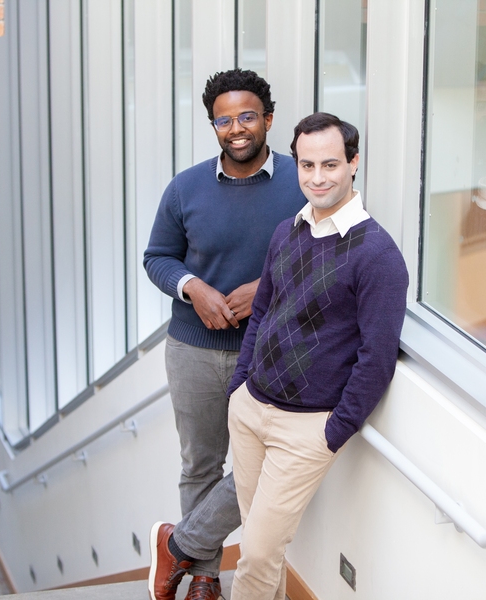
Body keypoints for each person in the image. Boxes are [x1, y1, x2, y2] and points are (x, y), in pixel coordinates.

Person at [226, 112, 409, 600]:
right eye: (307, 165)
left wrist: (332, 433)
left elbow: (377, 358)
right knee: (260, 550)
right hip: (250, 408)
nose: (318, 177)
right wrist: (239, 387)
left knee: (257, 553)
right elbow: (262, 313)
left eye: (330, 164)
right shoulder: (286, 232)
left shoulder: (378, 254)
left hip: (306, 429)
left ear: (353, 163)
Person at [143, 69, 306, 600]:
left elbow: (323, 252)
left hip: (270, 351)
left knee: (266, 465)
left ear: (268, 120)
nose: (236, 128)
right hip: (193, 348)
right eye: (224, 120)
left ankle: (179, 544)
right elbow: (157, 258)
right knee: (200, 464)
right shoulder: (185, 187)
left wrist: (267, 285)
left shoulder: (301, 182)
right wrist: (192, 288)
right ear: (213, 125)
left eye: (247, 117)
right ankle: (204, 576)